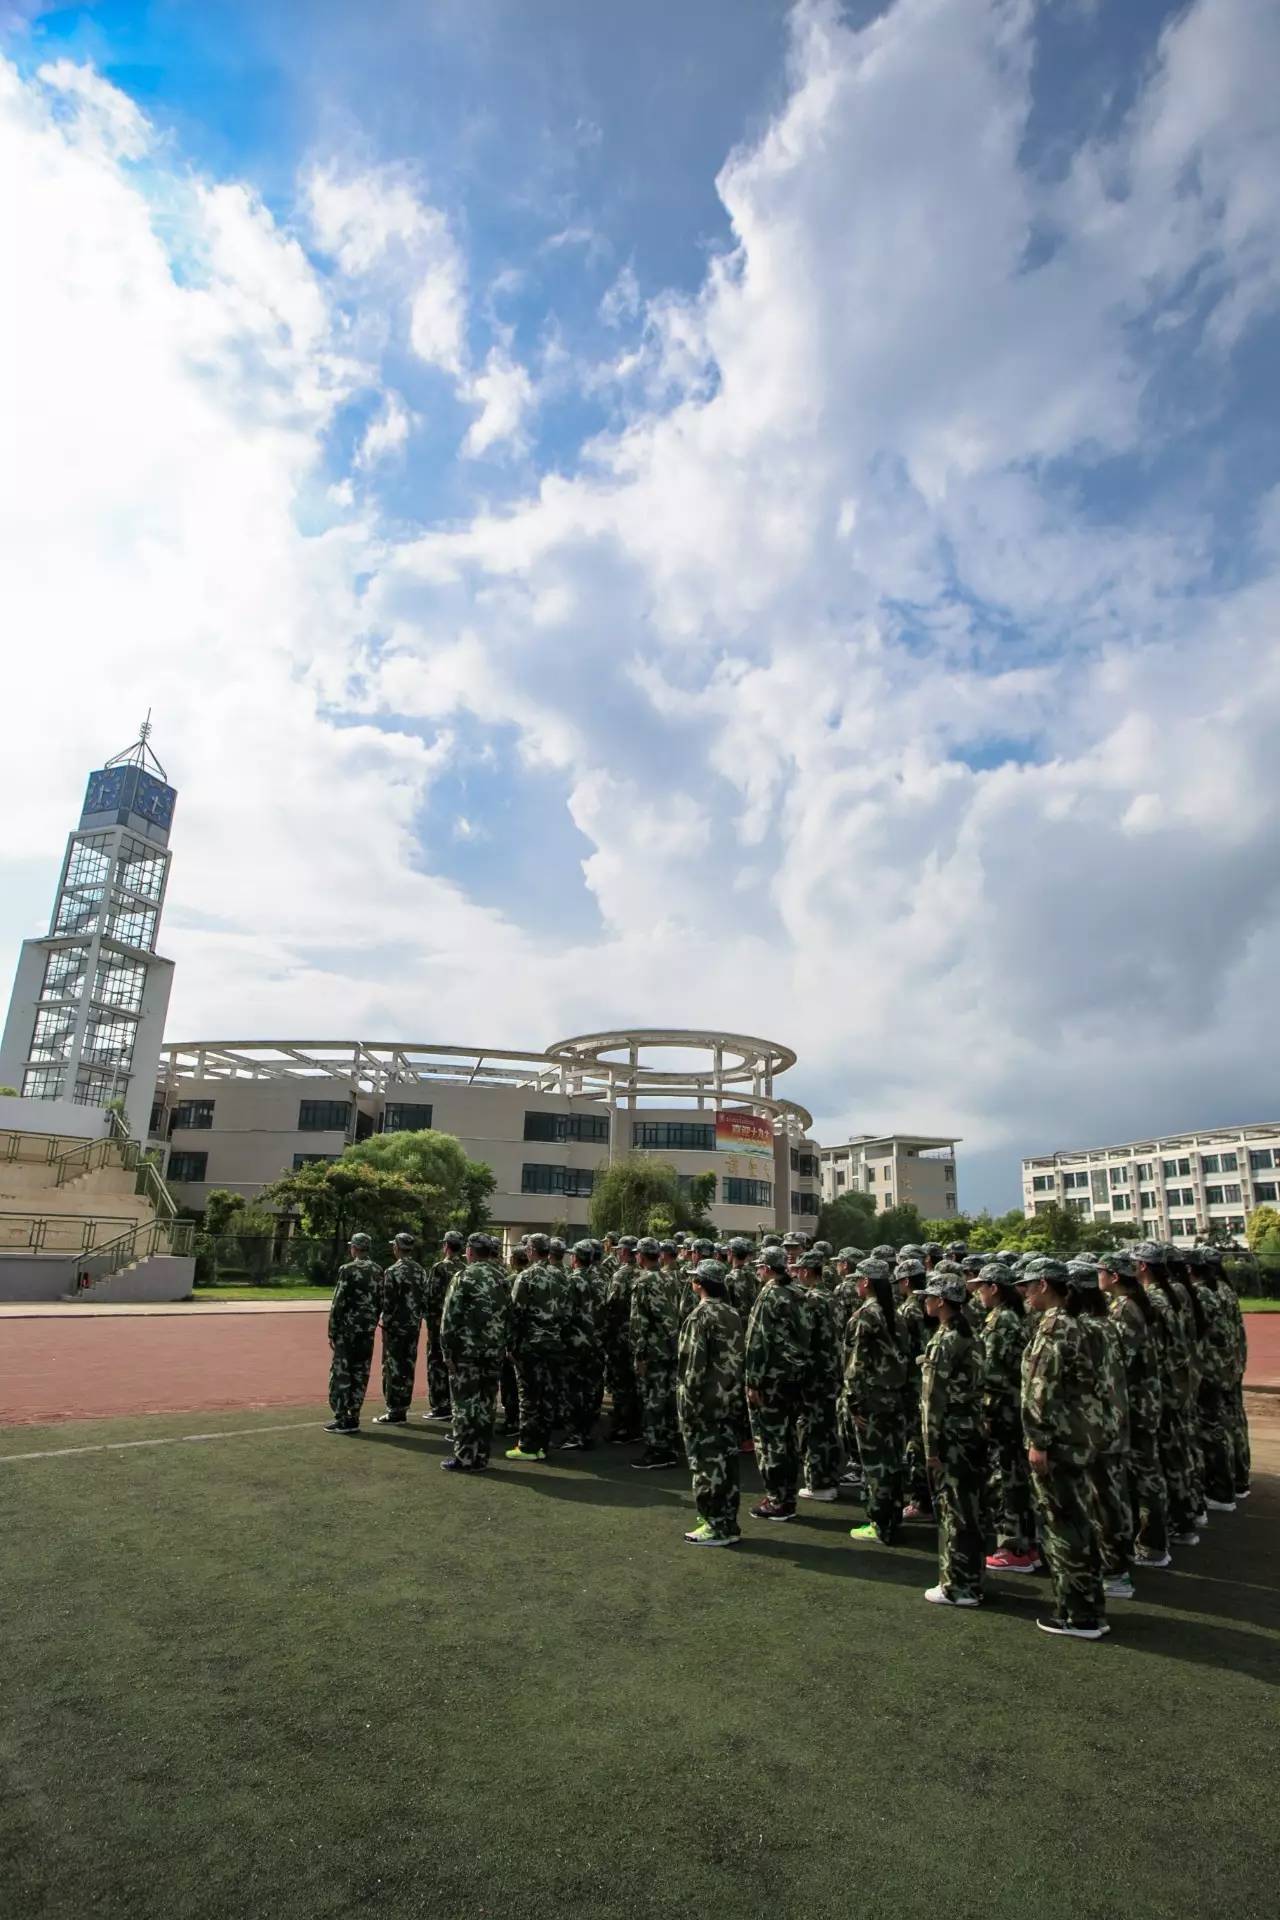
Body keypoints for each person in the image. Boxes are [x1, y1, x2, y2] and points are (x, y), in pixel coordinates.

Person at [1021, 1256, 1108, 1639]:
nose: (1022, 1292)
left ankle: (1077, 1613)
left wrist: (1038, 1441)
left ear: (1044, 1285)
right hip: (1078, 1436)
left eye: (1028, 1285)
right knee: (1077, 1521)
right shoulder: (1078, 1325)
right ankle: (1085, 1607)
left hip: (1059, 1441)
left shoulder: (1055, 1327)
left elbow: (1041, 1390)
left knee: (1064, 1525)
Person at [1067, 1260, 1133, 1601]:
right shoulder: (1106, 1324)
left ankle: (1113, 1569)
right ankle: (1117, 1565)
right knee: (1110, 1495)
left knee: (1100, 1499)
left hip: (1093, 1428)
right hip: (1112, 1422)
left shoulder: (1086, 1329)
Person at [919, 1266, 986, 1607]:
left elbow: (933, 1400)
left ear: (942, 1301)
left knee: (954, 1510)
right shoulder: (969, 1334)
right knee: (970, 1509)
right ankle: (972, 1579)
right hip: (972, 1429)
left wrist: (931, 1448)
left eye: (929, 1297)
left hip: (951, 1435)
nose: (925, 1302)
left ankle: (957, 1586)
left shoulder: (945, 1341)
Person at [1099, 1249, 1167, 1568]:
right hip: (1144, 1401)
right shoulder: (1134, 1304)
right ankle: (1151, 1543)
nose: (1097, 1275)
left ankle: (1150, 1544)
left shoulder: (1125, 1309)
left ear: (1114, 1277)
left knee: (1141, 1474)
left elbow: (1121, 1364)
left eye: (1102, 1271)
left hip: (1135, 1405)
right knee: (1146, 1472)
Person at [1134, 1242, 1199, 1545]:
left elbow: (1152, 1350)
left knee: (1164, 1458)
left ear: (1143, 1266)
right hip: (1177, 1382)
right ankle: (1187, 1516)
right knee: (1177, 1452)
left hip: (1162, 1387)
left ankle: (1176, 1522)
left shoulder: (1154, 1300)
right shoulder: (1175, 1292)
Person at [677, 1259, 746, 1545]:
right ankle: (726, 1521)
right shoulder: (733, 1313)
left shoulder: (699, 1316)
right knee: (727, 1464)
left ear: (700, 1284)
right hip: (730, 1399)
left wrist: (686, 1406)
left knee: (706, 1467)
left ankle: (714, 1524)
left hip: (705, 1404)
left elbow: (692, 1367)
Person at [975, 1264, 1038, 1575]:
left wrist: (986, 1412)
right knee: (1016, 1475)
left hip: (1003, 1410)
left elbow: (993, 1375)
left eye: (982, 1287)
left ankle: (1011, 1546)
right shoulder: (1014, 1317)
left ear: (994, 1288)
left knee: (1005, 1477)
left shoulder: (1001, 1322)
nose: (978, 1293)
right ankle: (1027, 1542)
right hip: (1014, 1407)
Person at [744, 1244, 811, 1522]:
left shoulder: (770, 1294)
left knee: (771, 1441)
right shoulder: (797, 1292)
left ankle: (777, 1500)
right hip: (793, 1376)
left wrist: (753, 1381)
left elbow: (758, 1341)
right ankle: (787, 1497)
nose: (758, 1270)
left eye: (760, 1266)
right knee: (787, 1439)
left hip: (771, 1378)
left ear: (768, 1269)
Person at [843, 1257, 907, 1545]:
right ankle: (892, 1518)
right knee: (892, 1460)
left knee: (875, 1464)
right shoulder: (895, 1313)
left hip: (872, 1399)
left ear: (866, 1282)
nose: (855, 1283)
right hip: (894, 1396)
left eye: (858, 1279)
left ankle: (880, 1523)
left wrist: (853, 1402)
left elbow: (856, 1365)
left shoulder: (866, 1315)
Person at [439, 1233, 510, 1472]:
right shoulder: (502, 1277)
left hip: (467, 1353)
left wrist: (447, 1352)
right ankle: (481, 1455)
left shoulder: (463, 1276)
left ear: (470, 1251)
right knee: (487, 1404)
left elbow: (449, 1319)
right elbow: (509, 1315)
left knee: (465, 1405)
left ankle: (466, 1457)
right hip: (493, 1352)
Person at [505, 1232, 565, 1463]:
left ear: (530, 1251)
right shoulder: (561, 1276)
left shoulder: (526, 1277)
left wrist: (511, 1345)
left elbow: (516, 1314)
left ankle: (528, 1446)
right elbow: (567, 1312)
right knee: (548, 1396)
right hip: (554, 1344)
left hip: (531, 1346)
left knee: (529, 1397)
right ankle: (542, 1445)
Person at [629, 1236, 682, 1470]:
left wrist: (639, 1355)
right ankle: (668, 1447)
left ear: (641, 1255)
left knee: (652, 1401)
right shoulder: (670, 1279)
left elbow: (639, 1323)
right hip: (670, 1347)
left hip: (652, 1350)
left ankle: (656, 1450)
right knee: (667, 1399)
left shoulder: (643, 1282)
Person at [795, 1247, 842, 1501]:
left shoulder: (811, 1300)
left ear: (805, 1271)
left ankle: (819, 1482)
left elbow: (804, 1338)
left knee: (812, 1427)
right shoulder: (831, 1296)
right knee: (826, 1425)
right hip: (831, 1369)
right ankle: (829, 1478)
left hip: (815, 1372)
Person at [326, 1233, 383, 1434]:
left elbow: (338, 1303)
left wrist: (332, 1331)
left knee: (342, 1373)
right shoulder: (378, 1270)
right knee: (360, 1373)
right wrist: (372, 1322)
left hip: (348, 1330)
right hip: (367, 1331)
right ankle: (353, 1415)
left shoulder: (348, 1270)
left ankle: (341, 1417)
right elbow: (380, 1301)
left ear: (355, 1248)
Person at [373, 1231, 428, 1425]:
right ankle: (403, 1405)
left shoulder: (392, 1271)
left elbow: (387, 1303)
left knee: (392, 1367)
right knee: (408, 1365)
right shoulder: (420, 1270)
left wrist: (384, 1326)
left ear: (397, 1247)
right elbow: (424, 1300)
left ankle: (394, 1410)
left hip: (395, 1328)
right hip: (413, 1326)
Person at [895, 1257, 933, 1518]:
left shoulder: (909, 1309)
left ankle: (922, 1501)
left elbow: (901, 1349)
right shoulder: (929, 1303)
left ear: (906, 1281)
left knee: (915, 1443)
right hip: (929, 1379)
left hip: (911, 1382)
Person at [561, 1240, 606, 1449]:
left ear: (576, 1258)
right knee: (591, 1389)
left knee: (574, 1390)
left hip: (576, 1343)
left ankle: (575, 1435)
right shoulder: (599, 1279)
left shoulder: (573, 1280)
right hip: (596, 1341)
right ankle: (587, 1433)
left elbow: (566, 1314)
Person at [603, 1236, 642, 1443]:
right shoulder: (645, 1273)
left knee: (621, 1383)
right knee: (635, 1383)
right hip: (639, 1336)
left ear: (625, 1252)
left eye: (619, 1250)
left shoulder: (621, 1275)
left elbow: (612, 1306)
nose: (617, 1253)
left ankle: (622, 1427)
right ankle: (635, 1425)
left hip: (621, 1336)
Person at [423, 1229, 464, 1421]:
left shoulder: (440, 1268)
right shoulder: (465, 1267)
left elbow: (431, 1298)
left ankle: (440, 1405)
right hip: (459, 1327)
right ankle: (454, 1403)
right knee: (455, 1365)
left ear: (446, 1246)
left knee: (436, 1364)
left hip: (439, 1324)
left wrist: (431, 1322)